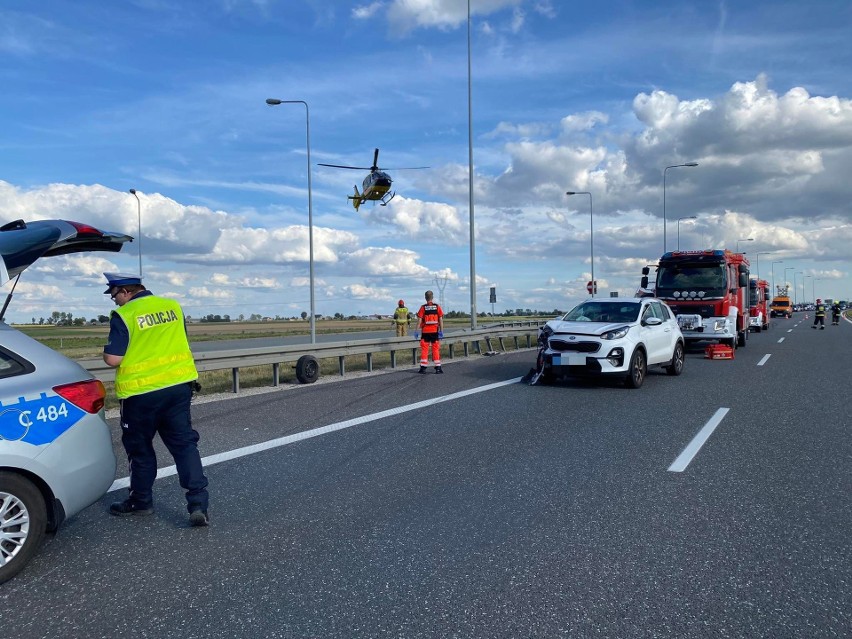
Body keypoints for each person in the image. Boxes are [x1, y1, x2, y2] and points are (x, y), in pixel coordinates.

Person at [101, 272, 210, 526]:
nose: (114, 301)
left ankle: (140, 502)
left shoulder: (125, 315)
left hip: (141, 394)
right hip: (178, 388)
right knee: (184, 446)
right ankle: (198, 505)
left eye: (114, 295)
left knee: (140, 450)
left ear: (126, 291)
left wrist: (105, 352)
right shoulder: (172, 306)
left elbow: (113, 359)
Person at [415, 290, 444, 373]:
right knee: (435, 349)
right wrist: (441, 331)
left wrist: (416, 331)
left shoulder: (423, 307)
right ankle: (438, 367)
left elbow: (419, 320)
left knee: (424, 349)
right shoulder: (437, 307)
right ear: (432, 297)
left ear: (425, 298)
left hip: (425, 332)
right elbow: (441, 320)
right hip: (435, 332)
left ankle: (423, 368)